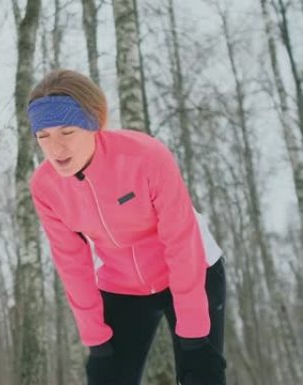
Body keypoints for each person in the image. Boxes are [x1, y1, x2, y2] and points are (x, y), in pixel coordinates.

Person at [27, 69, 227, 385]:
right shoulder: (46, 187)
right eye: (43, 136)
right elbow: (72, 263)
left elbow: (180, 237)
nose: (55, 148)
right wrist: (96, 340)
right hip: (120, 284)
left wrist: (193, 333)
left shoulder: (145, 157)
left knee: (200, 374)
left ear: (94, 124)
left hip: (191, 270)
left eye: (66, 132)